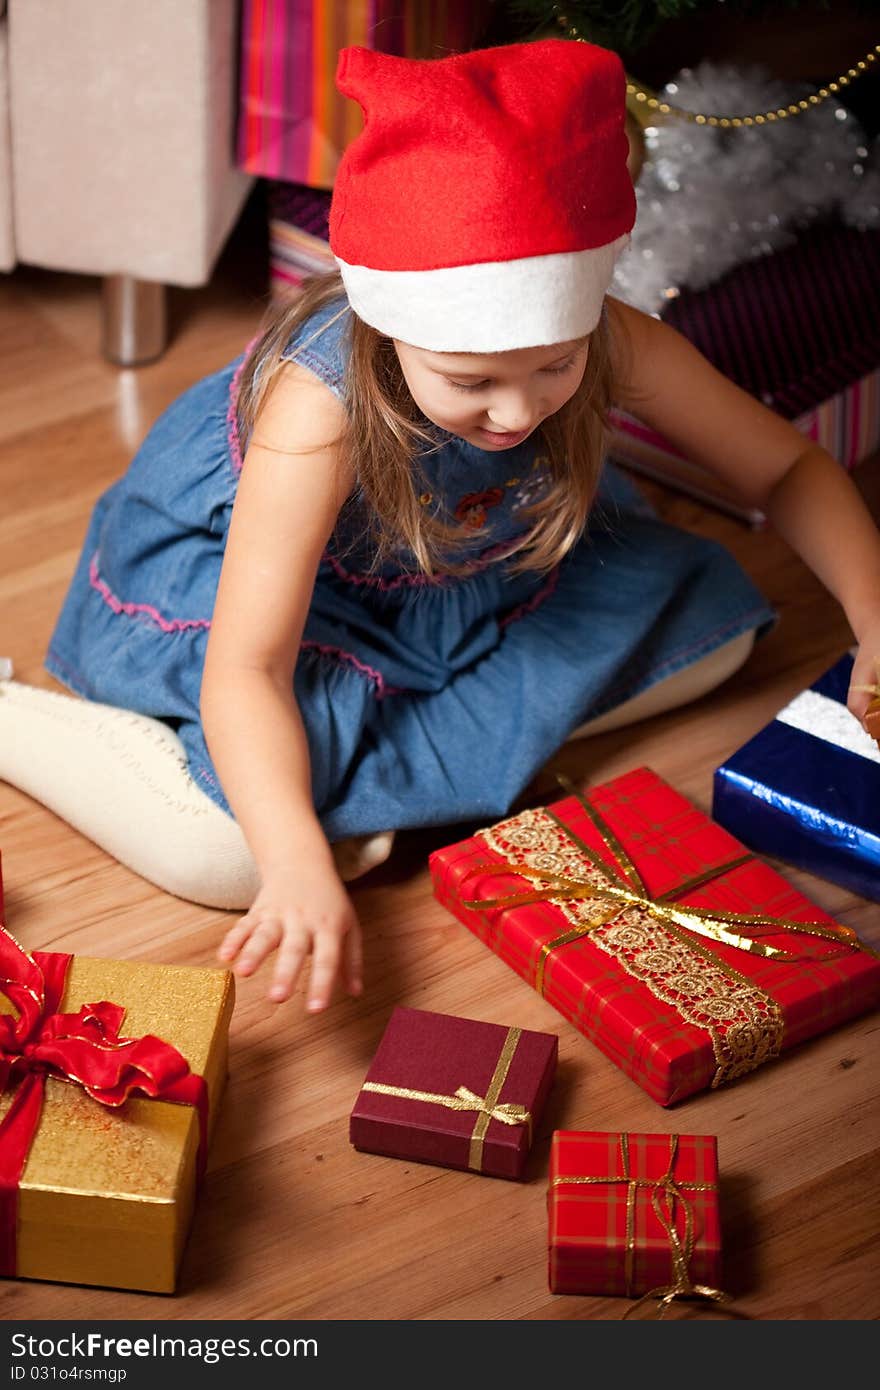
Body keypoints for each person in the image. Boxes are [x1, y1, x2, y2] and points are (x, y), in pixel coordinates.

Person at [2, 40, 879, 1014]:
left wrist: (874, 616)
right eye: (470, 382)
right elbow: (247, 668)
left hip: (465, 566)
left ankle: (376, 792)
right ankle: (20, 718)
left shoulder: (602, 336)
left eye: (554, 367)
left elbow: (790, 464)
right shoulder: (318, 410)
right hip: (269, 595)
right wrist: (294, 867)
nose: (517, 415)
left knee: (721, 633)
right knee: (224, 854)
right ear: (389, 329)